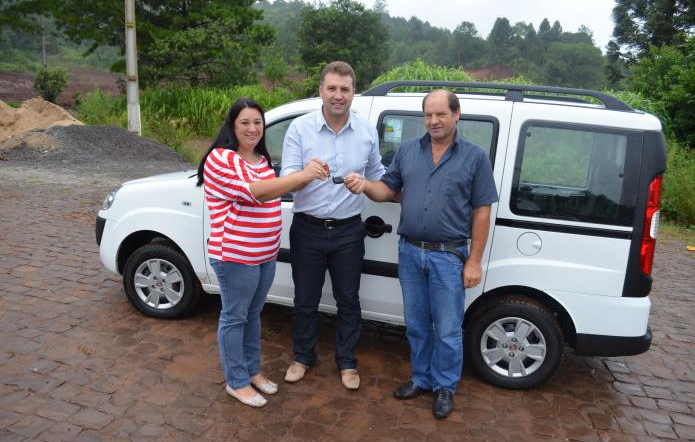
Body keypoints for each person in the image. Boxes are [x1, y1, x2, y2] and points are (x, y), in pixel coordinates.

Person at [344, 89, 499, 418]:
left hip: (448, 256)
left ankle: (445, 386)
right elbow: (388, 190)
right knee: (415, 324)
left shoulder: (474, 157)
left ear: (457, 115)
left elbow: (482, 211)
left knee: (447, 328)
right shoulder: (408, 150)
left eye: (441, 114)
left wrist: (474, 261)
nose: (434, 121)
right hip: (411, 252)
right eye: (428, 115)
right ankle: (422, 378)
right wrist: (364, 185)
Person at [196, 98, 328, 408]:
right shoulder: (222, 158)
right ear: (232, 125)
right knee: (234, 317)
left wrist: (316, 173)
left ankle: (251, 371)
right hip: (236, 256)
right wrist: (304, 175)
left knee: (253, 314)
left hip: (265, 254)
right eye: (245, 122)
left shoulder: (261, 159)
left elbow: (277, 189)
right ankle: (236, 381)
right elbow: (253, 193)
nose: (253, 128)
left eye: (258, 122)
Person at [280, 61, 385, 390]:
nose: (338, 95)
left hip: (348, 231)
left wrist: (364, 184)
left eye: (345, 89)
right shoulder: (300, 128)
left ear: (354, 92)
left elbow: (379, 179)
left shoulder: (367, 131)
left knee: (349, 300)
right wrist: (305, 174)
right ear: (321, 91)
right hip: (307, 227)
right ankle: (303, 357)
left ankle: (347, 362)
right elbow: (285, 183)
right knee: (305, 300)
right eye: (332, 88)